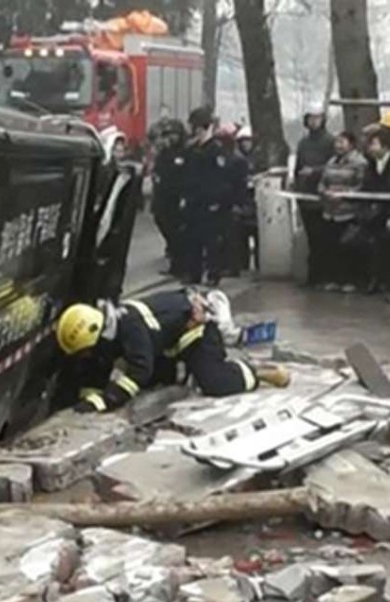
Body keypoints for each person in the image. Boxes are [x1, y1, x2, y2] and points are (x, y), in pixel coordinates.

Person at [55, 289, 290, 413]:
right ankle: (183, 372)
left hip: (197, 329)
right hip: (169, 341)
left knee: (215, 382)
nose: (84, 357)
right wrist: (87, 400)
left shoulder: (130, 328)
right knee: (155, 382)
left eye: (84, 352)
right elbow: (98, 368)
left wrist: (105, 401)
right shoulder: (107, 332)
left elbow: (139, 371)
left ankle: (257, 372)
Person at [180, 109, 243, 286]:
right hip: (194, 201)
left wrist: (218, 200)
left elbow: (221, 178)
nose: (196, 131)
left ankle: (213, 273)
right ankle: (194, 272)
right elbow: (187, 176)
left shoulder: (216, 151)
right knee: (193, 239)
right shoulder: (192, 150)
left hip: (211, 203)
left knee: (212, 240)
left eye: (198, 127)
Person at [318, 131, 368, 293]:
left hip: (348, 212)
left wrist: (344, 193)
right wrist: (325, 192)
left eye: (342, 142)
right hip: (330, 211)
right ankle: (334, 279)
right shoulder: (331, 161)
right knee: (330, 247)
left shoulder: (359, 163)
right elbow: (322, 183)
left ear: (351, 144)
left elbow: (362, 186)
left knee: (347, 247)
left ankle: (350, 280)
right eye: (337, 142)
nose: (338, 145)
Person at [294, 102, 336, 287]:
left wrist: (315, 171)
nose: (314, 122)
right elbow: (297, 167)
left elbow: (334, 165)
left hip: (322, 197)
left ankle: (322, 276)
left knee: (323, 238)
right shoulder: (303, 143)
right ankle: (313, 276)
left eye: (317, 118)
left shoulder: (330, 141)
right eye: (311, 118)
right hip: (305, 196)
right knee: (312, 237)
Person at [363, 129, 390, 296]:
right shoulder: (371, 164)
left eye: (374, 144)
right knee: (376, 247)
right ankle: (376, 279)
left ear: (385, 146)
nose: (370, 149)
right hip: (375, 212)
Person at [150, 118, 187, 273]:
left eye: (172, 135)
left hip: (176, 198)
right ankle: (174, 258)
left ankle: (179, 265)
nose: (169, 139)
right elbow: (157, 171)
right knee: (163, 224)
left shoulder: (184, 153)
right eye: (166, 135)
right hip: (162, 198)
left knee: (177, 231)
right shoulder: (164, 154)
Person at [231, 126, 260, 274]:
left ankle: (259, 265)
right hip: (242, 200)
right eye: (243, 141)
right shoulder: (236, 159)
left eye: (248, 141)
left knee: (258, 235)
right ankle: (242, 265)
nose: (246, 144)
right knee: (241, 236)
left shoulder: (258, 158)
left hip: (256, 202)